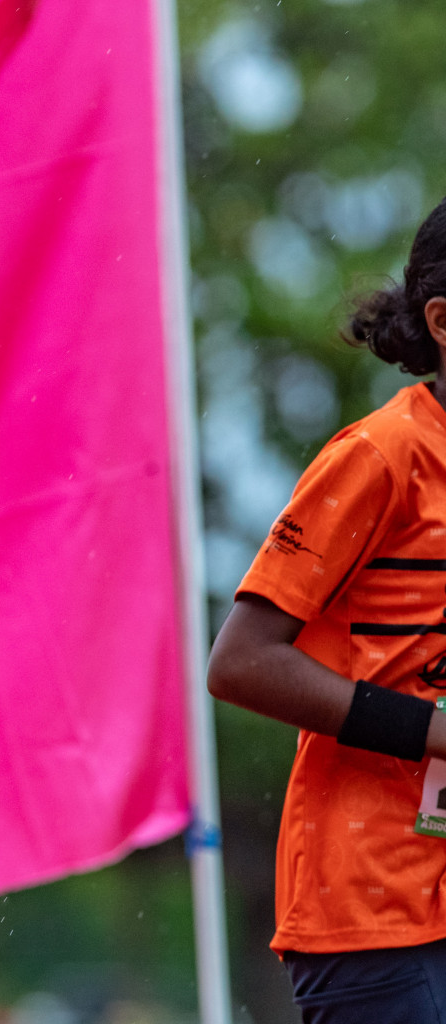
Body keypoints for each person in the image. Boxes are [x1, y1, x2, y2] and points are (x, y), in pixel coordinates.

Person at [209, 195, 446, 1023]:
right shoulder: (380, 458)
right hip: (373, 910)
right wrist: (430, 730)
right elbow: (241, 663)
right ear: (444, 322)